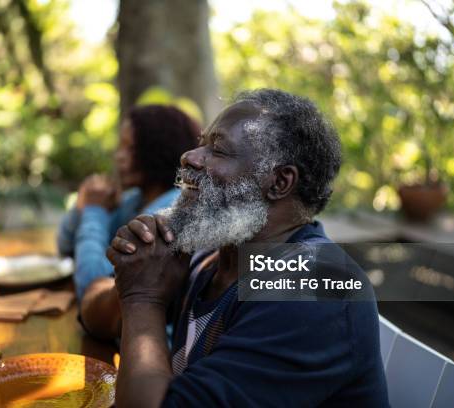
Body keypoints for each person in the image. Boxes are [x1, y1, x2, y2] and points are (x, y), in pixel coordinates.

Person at [81, 89, 390, 407]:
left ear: (280, 182)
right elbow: (94, 314)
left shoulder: (315, 291)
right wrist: (135, 272)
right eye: (202, 142)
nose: (190, 156)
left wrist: (142, 298)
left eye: (217, 149)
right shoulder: (213, 256)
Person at [57, 105, 199, 300]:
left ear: (159, 149)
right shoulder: (135, 200)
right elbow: (66, 246)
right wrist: (83, 202)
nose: (119, 157)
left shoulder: (168, 213)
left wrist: (94, 210)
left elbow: (91, 285)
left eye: (130, 148)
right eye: (120, 146)